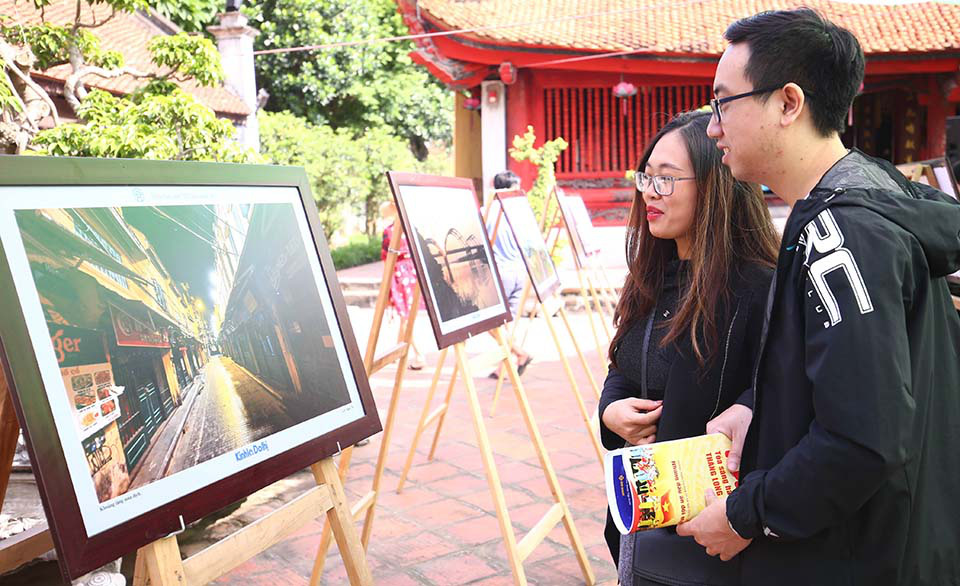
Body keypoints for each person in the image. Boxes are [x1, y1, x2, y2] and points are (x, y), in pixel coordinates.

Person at [677, 8, 960, 585]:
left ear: (787, 103)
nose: (712, 128)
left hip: (866, 556)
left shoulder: (843, 234)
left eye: (721, 103)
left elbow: (863, 440)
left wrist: (744, 516)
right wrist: (757, 403)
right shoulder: (876, 191)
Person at [599, 110, 779, 585]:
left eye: (666, 179)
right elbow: (623, 363)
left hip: (715, 534)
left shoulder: (757, 288)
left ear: (716, 186)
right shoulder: (652, 275)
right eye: (646, 176)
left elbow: (784, 394)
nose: (648, 192)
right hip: (644, 517)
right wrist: (611, 408)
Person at [485, 170, 532, 375]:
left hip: (499, 273)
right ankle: (504, 367)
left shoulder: (488, 210)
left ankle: (519, 353)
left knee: (490, 323)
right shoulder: (522, 211)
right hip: (520, 272)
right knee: (507, 324)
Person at [379, 200, 425, 369]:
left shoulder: (390, 231)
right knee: (404, 316)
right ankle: (398, 353)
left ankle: (419, 354)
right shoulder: (412, 229)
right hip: (412, 273)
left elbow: (386, 257)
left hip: (398, 274)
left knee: (405, 317)